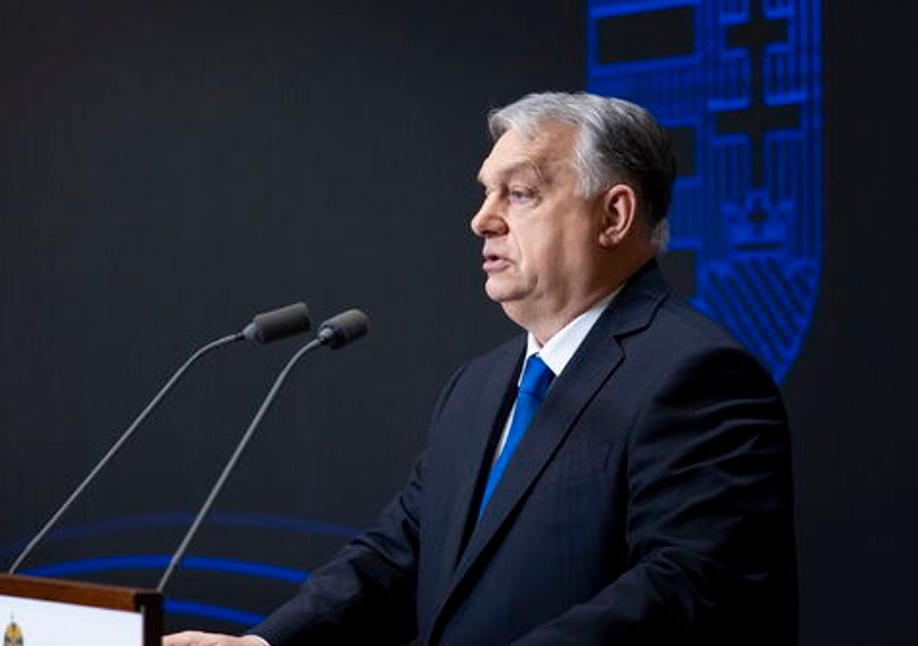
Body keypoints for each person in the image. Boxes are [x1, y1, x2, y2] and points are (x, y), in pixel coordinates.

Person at [163, 92, 797, 646]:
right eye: (486, 192)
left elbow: (693, 592)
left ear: (614, 216)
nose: (481, 219)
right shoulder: (480, 386)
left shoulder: (697, 377)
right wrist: (265, 645)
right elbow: (402, 554)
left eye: (519, 194)